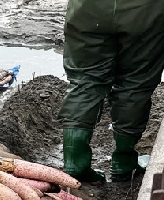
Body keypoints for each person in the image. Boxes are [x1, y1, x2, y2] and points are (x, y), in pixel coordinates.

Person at [59, 0, 164, 183]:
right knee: (136, 82)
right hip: (145, 10)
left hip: (88, 7)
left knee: (85, 81)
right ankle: (124, 163)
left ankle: (75, 165)